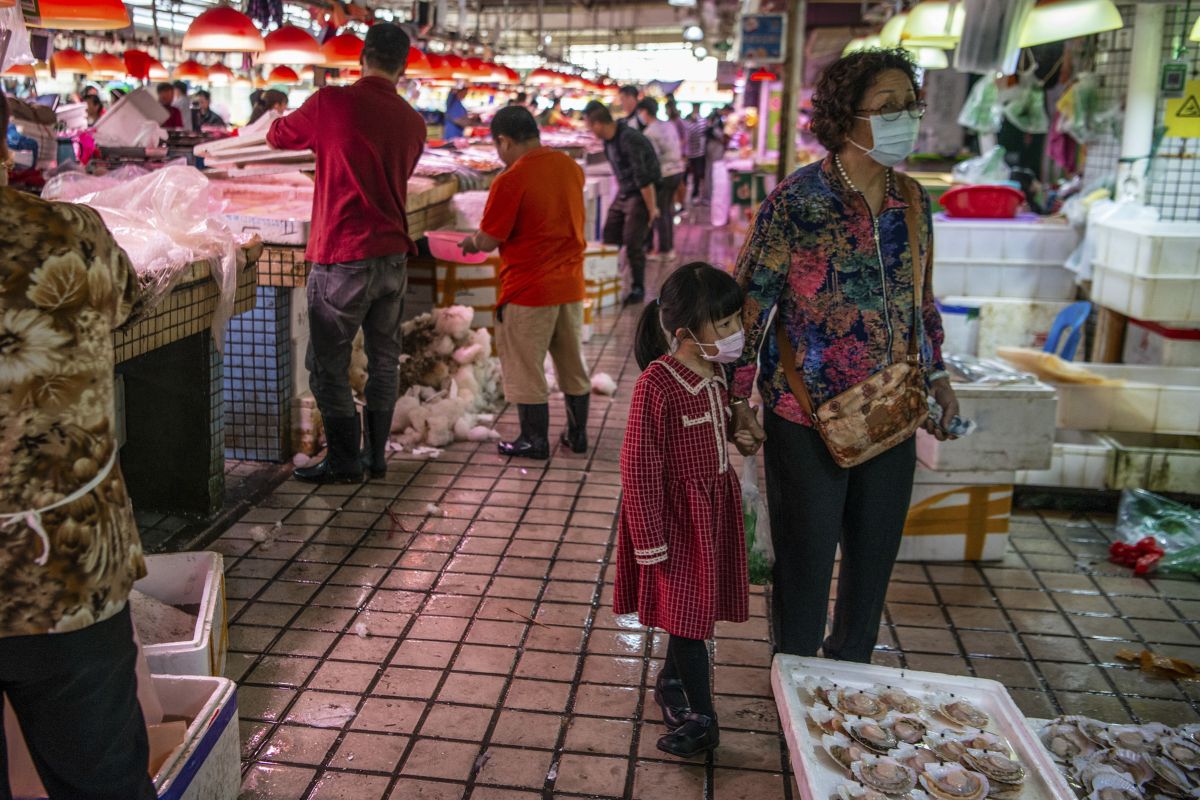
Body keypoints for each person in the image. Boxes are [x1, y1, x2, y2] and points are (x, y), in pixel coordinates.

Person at [728, 49, 959, 663]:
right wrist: (736, 398)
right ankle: (796, 678)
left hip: (892, 413)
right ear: (845, 118)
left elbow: (920, 299)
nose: (905, 118)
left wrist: (937, 374)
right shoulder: (797, 202)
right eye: (888, 108)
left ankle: (850, 677)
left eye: (911, 105)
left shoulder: (912, 201)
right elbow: (751, 306)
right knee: (803, 565)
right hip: (806, 416)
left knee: (872, 561)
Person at [0, 92, 156, 800]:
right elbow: (128, 299)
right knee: (102, 781)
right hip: (65, 573)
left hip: (62, 565)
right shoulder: (75, 236)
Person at [267, 23, 426, 483]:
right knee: (383, 361)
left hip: (343, 256)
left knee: (327, 365)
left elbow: (278, 136)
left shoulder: (331, 102)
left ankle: (343, 461)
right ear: (403, 65)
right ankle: (376, 457)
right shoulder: (413, 122)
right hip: (393, 256)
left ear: (362, 57)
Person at [615, 262, 757, 759]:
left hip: (710, 516)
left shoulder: (716, 374)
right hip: (675, 525)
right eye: (723, 326)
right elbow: (638, 466)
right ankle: (703, 719)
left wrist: (740, 432)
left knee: (692, 611)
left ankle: (671, 680)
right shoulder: (657, 385)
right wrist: (648, 539)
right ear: (683, 334)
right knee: (690, 624)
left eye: (737, 320)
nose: (736, 333)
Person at [459, 106, 591, 460]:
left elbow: (488, 239)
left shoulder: (512, 178)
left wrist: (468, 243)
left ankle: (533, 440)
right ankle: (577, 436)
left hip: (530, 288)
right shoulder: (569, 167)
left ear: (504, 140)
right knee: (571, 364)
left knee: (525, 366)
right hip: (571, 285)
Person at [584, 100, 660, 307]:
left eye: (589, 126)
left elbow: (644, 178)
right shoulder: (609, 141)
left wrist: (651, 209)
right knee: (610, 233)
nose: (589, 130)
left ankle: (638, 288)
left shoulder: (629, 139)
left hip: (641, 192)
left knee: (633, 241)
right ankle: (608, 280)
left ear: (598, 123)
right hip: (626, 191)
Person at [636, 97, 684, 259]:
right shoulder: (668, 125)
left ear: (645, 112)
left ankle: (665, 250)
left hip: (665, 174)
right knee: (668, 210)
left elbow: (652, 158)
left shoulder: (649, 132)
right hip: (677, 171)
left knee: (661, 211)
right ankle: (669, 248)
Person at [702, 107, 729, 203]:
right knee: (713, 171)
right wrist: (723, 139)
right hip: (714, 147)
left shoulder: (712, 120)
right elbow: (717, 134)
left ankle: (709, 195)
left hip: (710, 146)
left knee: (709, 170)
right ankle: (710, 196)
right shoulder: (717, 121)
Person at [685, 106, 707, 202]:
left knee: (697, 175)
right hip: (692, 154)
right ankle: (695, 194)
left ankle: (697, 194)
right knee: (695, 175)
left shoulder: (700, 122)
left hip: (698, 154)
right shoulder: (689, 124)